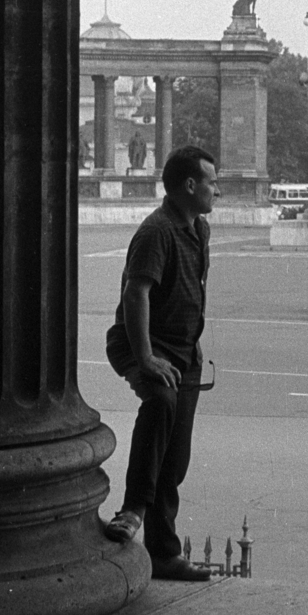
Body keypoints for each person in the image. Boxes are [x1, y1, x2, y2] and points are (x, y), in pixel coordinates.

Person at [103, 145, 220, 579]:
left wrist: (192, 343)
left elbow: (188, 289)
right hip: (142, 346)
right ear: (190, 186)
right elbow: (137, 294)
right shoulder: (157, 231)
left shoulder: (199, 230)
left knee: (176, 457)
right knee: (161, 404)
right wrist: (146, 357)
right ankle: (133, 509)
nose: (216, 190)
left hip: (182, 353)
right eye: (211, 182)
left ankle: (164, 554)